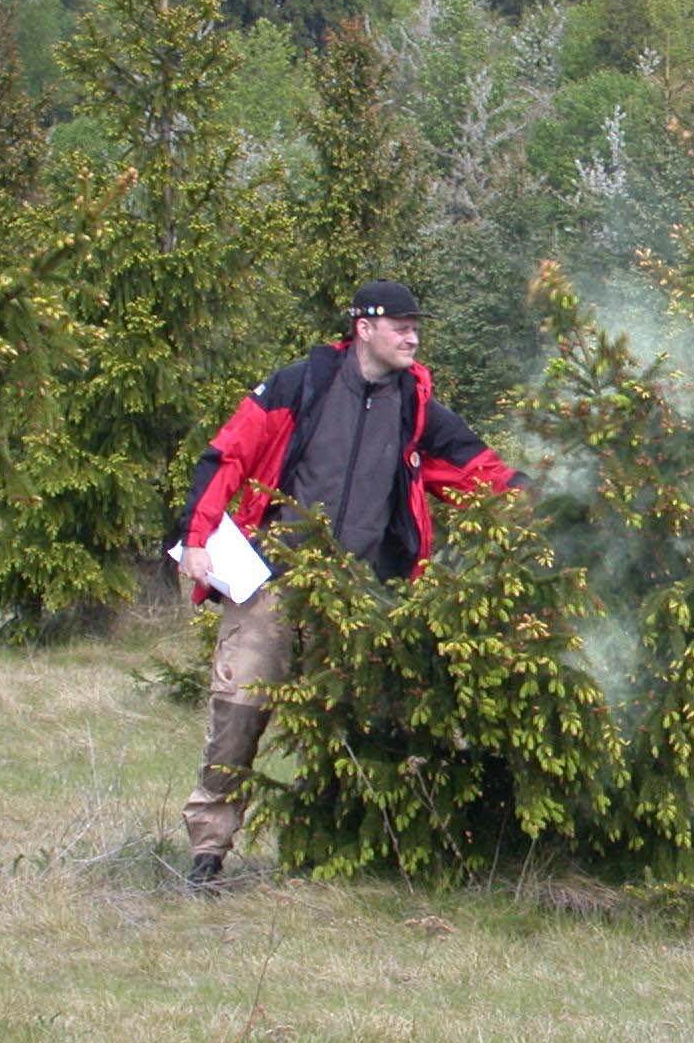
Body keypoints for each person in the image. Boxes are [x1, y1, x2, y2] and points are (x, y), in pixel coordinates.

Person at [173, 280, 524, 890]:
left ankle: (338, 851)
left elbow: (477, 470)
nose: (413, 336)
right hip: (273, 580)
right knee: (240, 711)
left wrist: (545, 507)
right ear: (365, 328)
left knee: (364, 720)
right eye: (401, 326)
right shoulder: (300, 385)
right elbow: (226, 455)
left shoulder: (415, 404)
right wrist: (197, 539)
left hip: (362, 591)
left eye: (417, 326)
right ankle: (208, 853)